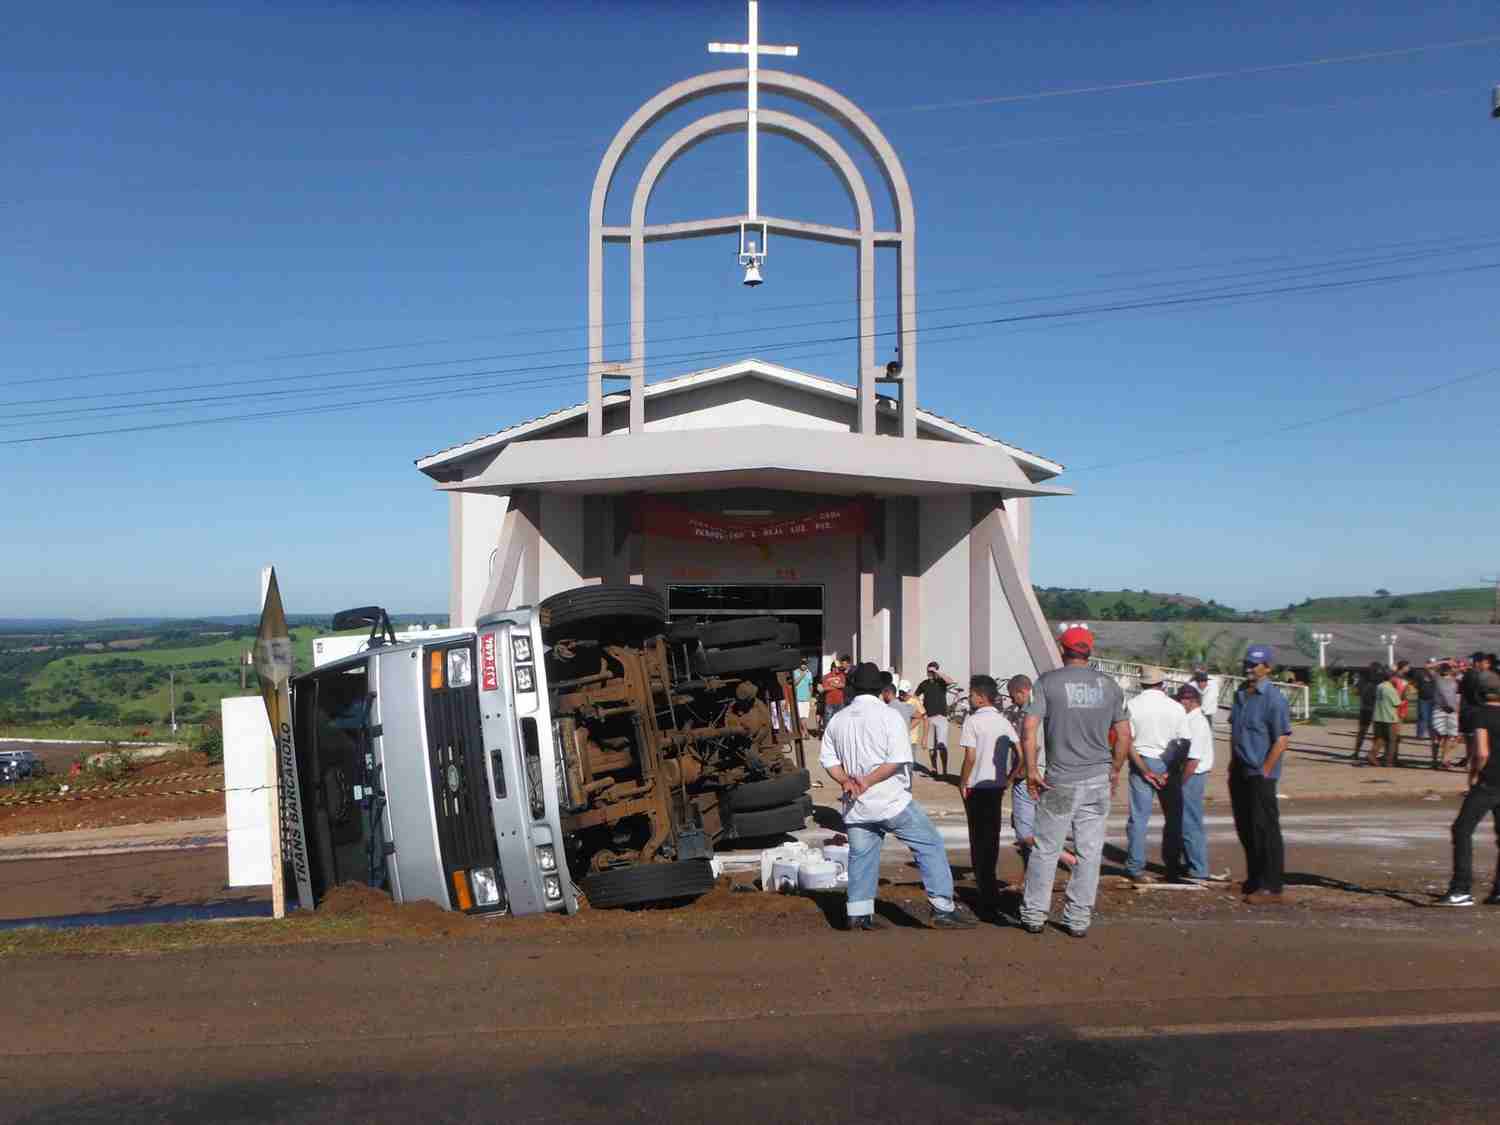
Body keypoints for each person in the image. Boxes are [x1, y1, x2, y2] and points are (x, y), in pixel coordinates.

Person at [820, 662, 977, 930]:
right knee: (929, 845)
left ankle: (858, 913)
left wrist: (847, 780)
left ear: (854, 688)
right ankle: (942, 908)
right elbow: (896, 760)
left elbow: (828, 760)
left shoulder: (839, 719)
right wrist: (868, 780)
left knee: (862, 856)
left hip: (856, 804)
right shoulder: (889, 716)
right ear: (881, 688)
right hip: (890, 800)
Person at [1019, 626, 1132, 938]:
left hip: (1060, 782)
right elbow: (1124, 735)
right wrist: (1115, 771)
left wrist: (1031, 770)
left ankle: (1034, 914)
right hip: (1097, 781)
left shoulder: (1048, 682)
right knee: (1089, 851)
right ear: (1090, 650)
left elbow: (1029, 730)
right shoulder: (1109, 686)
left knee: (1046, 848)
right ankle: (1078, 918)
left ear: (1062, 648)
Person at [1229, 644, 1292, 904]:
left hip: (1260, 773)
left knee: (1265, 827)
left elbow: (1281, 739)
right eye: (1246, 663)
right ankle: (1254, 878)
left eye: (1254, 664)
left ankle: (1272, 885)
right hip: (1240, 770)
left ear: (1267, 667)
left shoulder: (1274, 699)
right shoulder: (1240, 694)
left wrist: (1265, 770)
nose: (1249, 669)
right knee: (1245, 827)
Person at [1436, 670, 1500, 906]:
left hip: (1489, 782)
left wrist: (1473, 775)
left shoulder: (1481, 715)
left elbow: (1482, 752)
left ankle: (1460, 889)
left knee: (1462, 830)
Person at [957, 674, 1016, 918]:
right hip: (996, 787)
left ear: (980, 698)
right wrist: (1010, 778)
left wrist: (962, 781)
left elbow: (970, 757)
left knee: (977, 838)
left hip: (976, 787)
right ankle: (990, 887)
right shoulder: (1004, 721)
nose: (969, 698)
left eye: (971, 695)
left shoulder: (972, 721)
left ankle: (986, 891)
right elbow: (1022, 752)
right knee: (991, 837)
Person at [1005, 673, 1078, 870]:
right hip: (1060, 775)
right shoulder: (1060, 709)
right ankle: (1060, 863)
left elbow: (1031, 748)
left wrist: (1015, 777)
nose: (1012, 701)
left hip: (1032, 776)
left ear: (1022, 691)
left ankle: (1064, 858)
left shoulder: (1028, 711)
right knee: (1055, 826)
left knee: (1024, 832)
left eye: (1013, 697)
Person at [1123, 668, 1185, 885]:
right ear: (1163, 684)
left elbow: (1127, 741)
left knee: (1139, 818)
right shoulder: (1176, 707)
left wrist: (1145, 770)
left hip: (1142, 760)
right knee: (1173, 818)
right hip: (1169, 762)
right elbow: (1182, 742)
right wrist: (1167, 770)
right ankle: (1173, 866)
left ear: (1142, 684)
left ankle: (1135, 867)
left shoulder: (1132, 705)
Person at [1167, 682, 1228, 883]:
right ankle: (1193, 865)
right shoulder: (1193, 719)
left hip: (1192, 776)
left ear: (1190, 701)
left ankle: (1198, 868)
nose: (1178, 703)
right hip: (1192, 775)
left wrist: (1180, 783)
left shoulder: (1197, 722)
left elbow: (1193, 761)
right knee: (1188, 821)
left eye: (1181, 699)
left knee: (1190, 822)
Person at [915, 661, 956, 777]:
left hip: (941, 717)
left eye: (932, 671)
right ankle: (934, 769)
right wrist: (921, 711)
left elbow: (951, 681)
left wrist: (937, 672)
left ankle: (945, 770)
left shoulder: (941, 682)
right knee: (931, 747)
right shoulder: (923, 684)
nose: (929, 673)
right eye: (928, 670)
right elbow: (915, 697)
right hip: (928, 718)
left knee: (942, 746)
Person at [1368, 666, 1402, 768]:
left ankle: (1372, 755)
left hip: (1378, 716)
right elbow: (1397, 703)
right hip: (1389, 717)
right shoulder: (1390, 689)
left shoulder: (1379, 686)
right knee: (1392, 740)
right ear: (1391, 677)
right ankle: (1389, 761)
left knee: (1380, 738)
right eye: (1395, 677)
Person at [1433, 662, 1461, 769]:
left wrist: (1457, 709)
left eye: (1447, 669)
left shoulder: (1454, 680)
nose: (1445, 671)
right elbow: (1430, 667)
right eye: (1444, 669)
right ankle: (1436, 760)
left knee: (1450, 736)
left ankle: (1444, 760)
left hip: (1451, 711)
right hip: (1440, 709)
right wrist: (1443, 662)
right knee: (1438, 737)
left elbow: (1455, 695)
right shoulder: (1437, 679)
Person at [1353, 663, 1381, 761]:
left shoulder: (1362, 680)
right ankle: (1373, 753)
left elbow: (1356, 692)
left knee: (1361, 732)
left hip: (1364, 708)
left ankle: (1356, 752)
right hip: (1375, 709)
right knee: (1377, 733)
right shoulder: (1379, 681)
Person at [818, 655, 849, 731]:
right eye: (837, 667)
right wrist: (836, 686)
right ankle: (827, 735)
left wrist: (832, 684)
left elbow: (843, 685)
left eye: (839, 667)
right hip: (829, 702)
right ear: (833, 668)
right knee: (828, 720)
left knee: (840, 720)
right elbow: (825, 688)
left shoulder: (842, 675)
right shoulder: (826, 676)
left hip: (840, 702)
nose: (839, 669)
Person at [1411, 661, 1435, 742]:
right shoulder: (1421, 673)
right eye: (1429, 664)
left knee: (1432, 718)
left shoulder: (1436, 674)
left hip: (1433, 699)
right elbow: (1414, 683)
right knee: (1422, 716)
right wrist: (1419, 688)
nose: (1430, 666)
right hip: (1422, 698)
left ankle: (1432, 735)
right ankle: (1420, 735)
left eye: (1432, 664)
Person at [792, 658, 814, 726]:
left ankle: (804, 731)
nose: (804, 666)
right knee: (800, 716)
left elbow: (810, 685)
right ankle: (804, 732)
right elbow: (794, 683)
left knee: (805, 716)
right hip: (798, 698)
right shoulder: (795, 672)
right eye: (802, 664)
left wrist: (810, 696)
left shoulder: (809, 673)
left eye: (805, 664)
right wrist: (802, 675)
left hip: (806, 698)